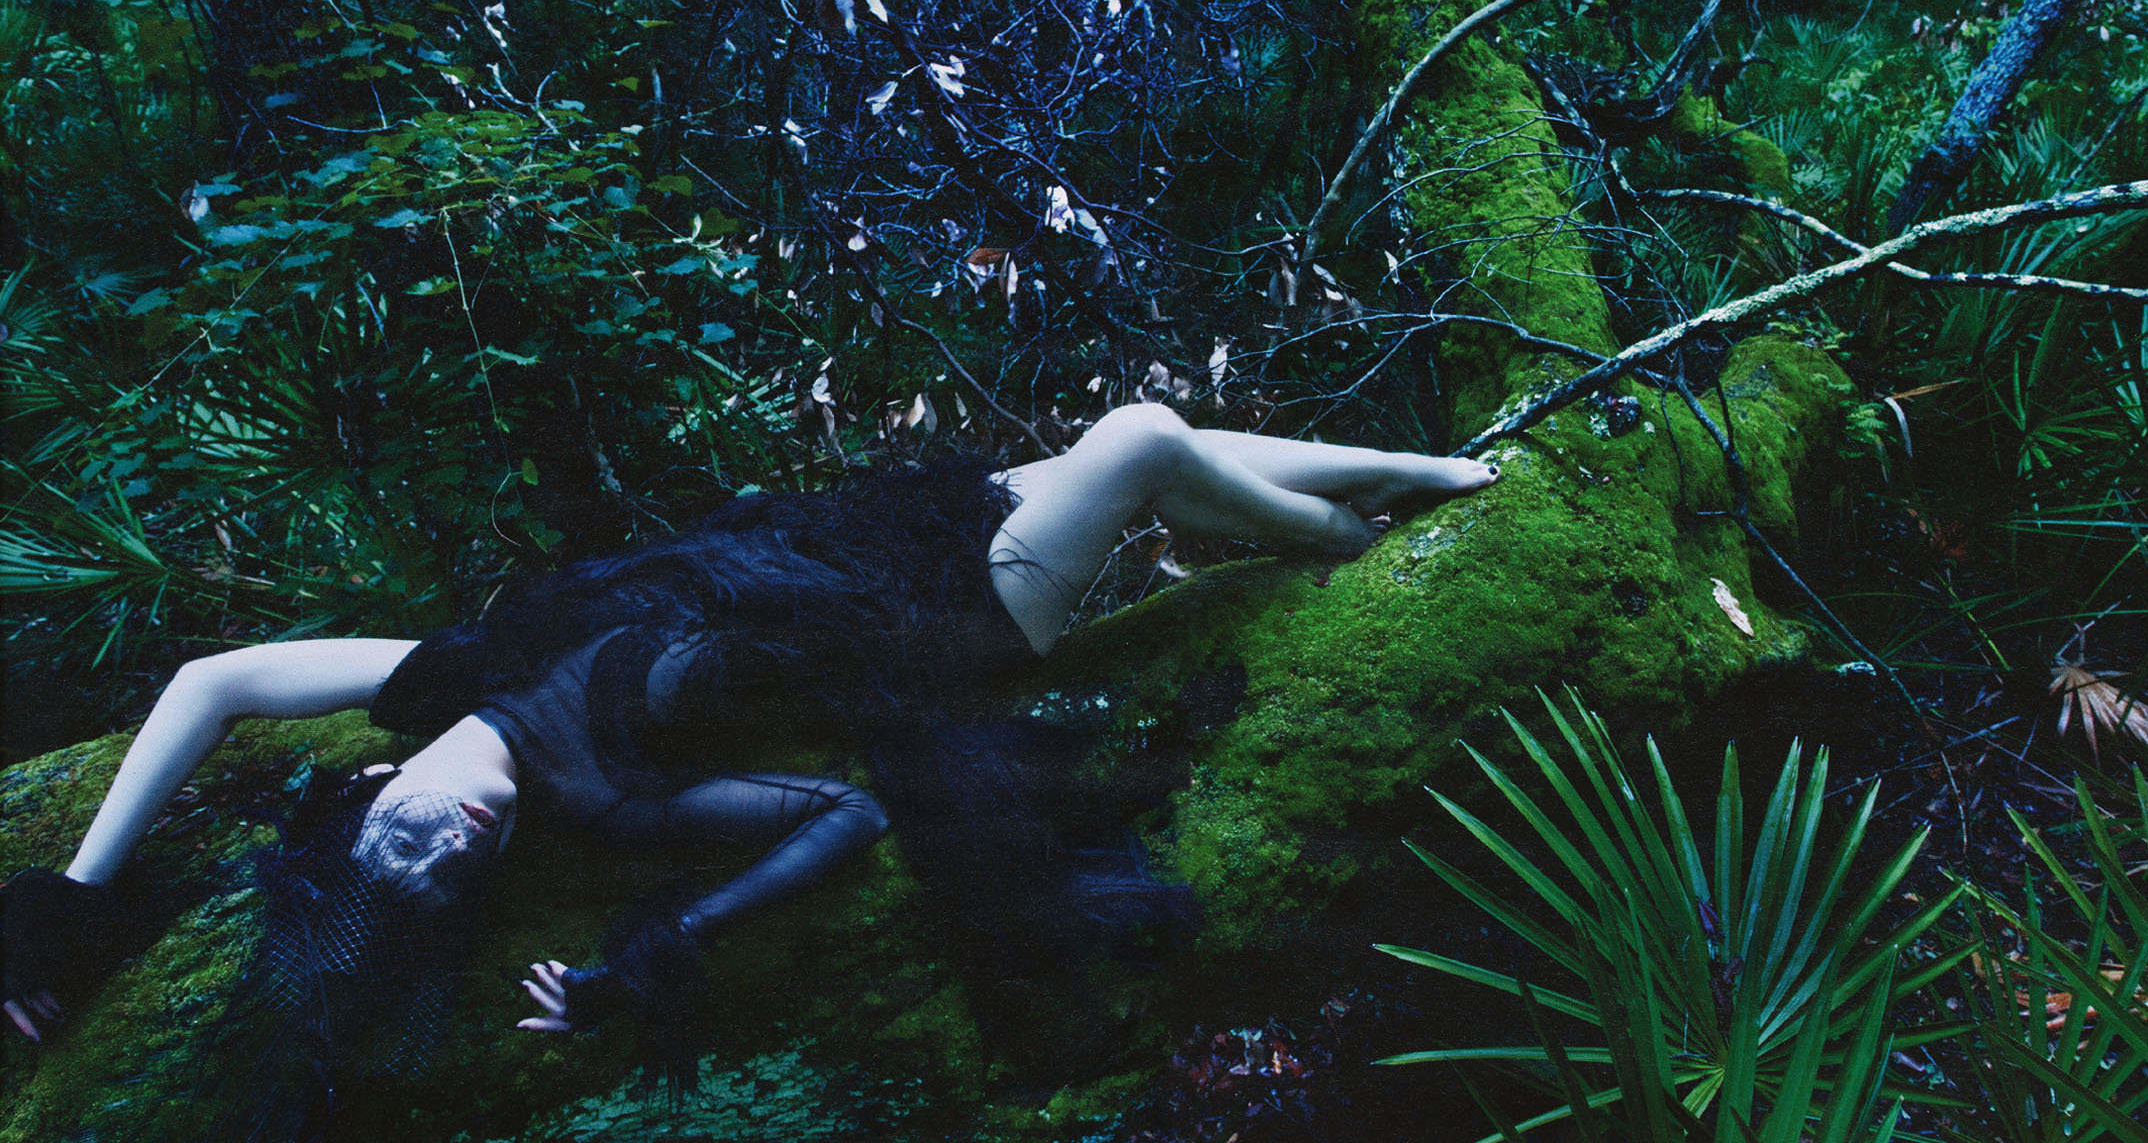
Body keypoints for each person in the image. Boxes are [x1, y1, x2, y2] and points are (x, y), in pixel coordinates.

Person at [1, 404, 1499, 1111]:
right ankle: (1337, 541)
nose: (454, 838)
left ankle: (1441, 472)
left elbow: (210, 682)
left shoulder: (439, 677)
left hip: (860, 542)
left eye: (414, 836)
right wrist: (654, 950)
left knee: (1113, 455)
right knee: (1139, 440)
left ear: (373, 794)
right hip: (946, 627)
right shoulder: (596, 799)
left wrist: (73, 899)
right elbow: (838, 814)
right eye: (454, 869)